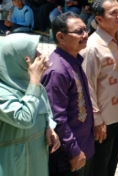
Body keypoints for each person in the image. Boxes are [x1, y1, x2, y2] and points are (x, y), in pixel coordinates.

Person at [0, 34, 61, 176]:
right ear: (18, 59)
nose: (41, 56)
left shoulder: (28, 82)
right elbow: (24, 118)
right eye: (35, 53)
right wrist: (34, 81)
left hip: (36, 158)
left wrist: (49, 127)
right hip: (11, 162)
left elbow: (45, 108)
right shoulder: (4, 90)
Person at [43, 12, 95, 175]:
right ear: (61, 37)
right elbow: (57, 118)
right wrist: (74, 151)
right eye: (79, 32)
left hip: (83, 144)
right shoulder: (57, 70)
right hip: (69, 153)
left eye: (85, 30)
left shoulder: (74, 60)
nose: (85, 35)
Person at [81, 0, 118, 176]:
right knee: (99, 168)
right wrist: (97, 120)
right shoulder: (93, 47)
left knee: (111, 165)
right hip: (104, 120)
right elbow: (87, 87)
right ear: (99, 19)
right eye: (113, 13)